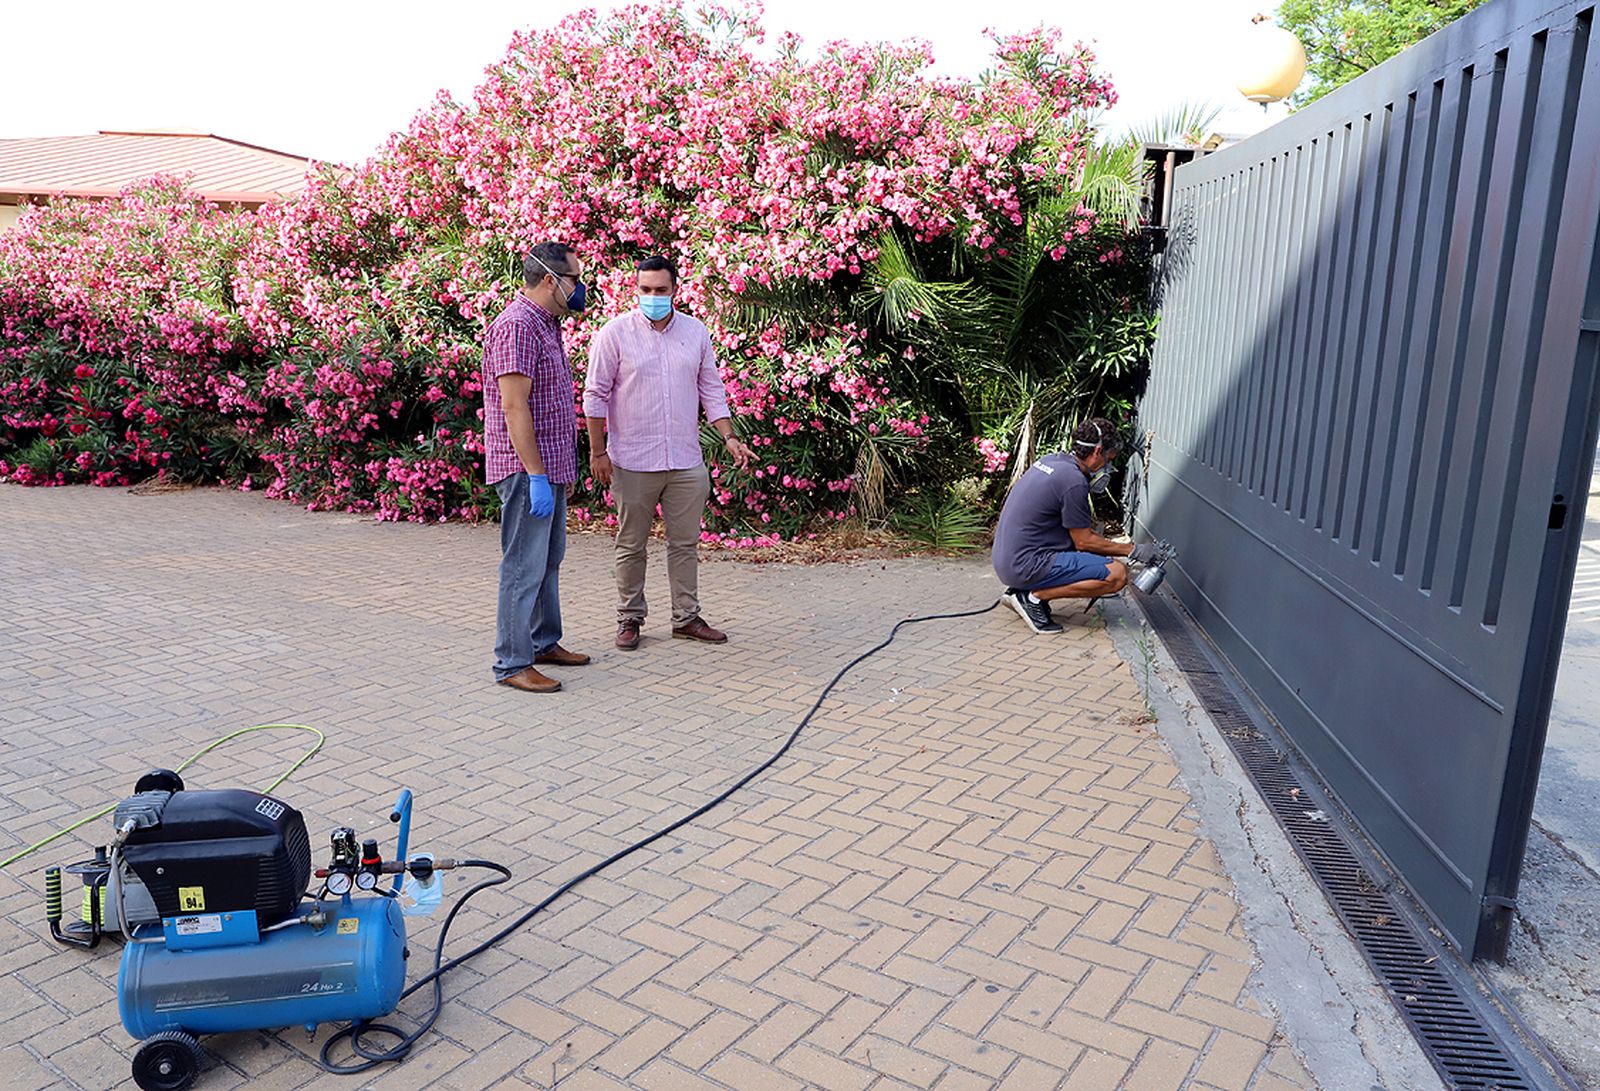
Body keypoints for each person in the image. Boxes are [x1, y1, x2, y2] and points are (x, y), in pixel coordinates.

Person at [582, 255, 754, 650]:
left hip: (684, 460)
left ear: (675, 290)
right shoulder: (615, 334)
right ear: (636, 289)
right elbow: (595, 395)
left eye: (661, 290)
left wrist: (729, 437)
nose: (653, 297)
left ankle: (686, 618)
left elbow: (712, 390)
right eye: (646, 290)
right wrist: (598, 452)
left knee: (685, 544)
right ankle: (629, 618)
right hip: (632, 460)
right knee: (631, 545)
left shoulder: (695, 333)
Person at [481, 242, 592, 692]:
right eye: (575, 280)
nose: (580, 289)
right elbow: (513, 406)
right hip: (529, 472)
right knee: (522, 567)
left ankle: (544, 642)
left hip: (550, 469)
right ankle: (512, 662)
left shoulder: (547, 325)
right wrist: (537, 475)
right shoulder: (517, 327)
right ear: (551, 280)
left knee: (547, 561)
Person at [991, 417, 1159, 634]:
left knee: (1100, 559)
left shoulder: (1052, 461)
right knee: (1117, 574)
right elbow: (1084, 541)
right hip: (1024, 564)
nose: (1107, 466)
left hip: (1007, 559)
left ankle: (1026, 590)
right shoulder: (1074, 481)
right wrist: (1134, 550)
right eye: (1109, 459)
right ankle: (1032, 597)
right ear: (1097, 451)